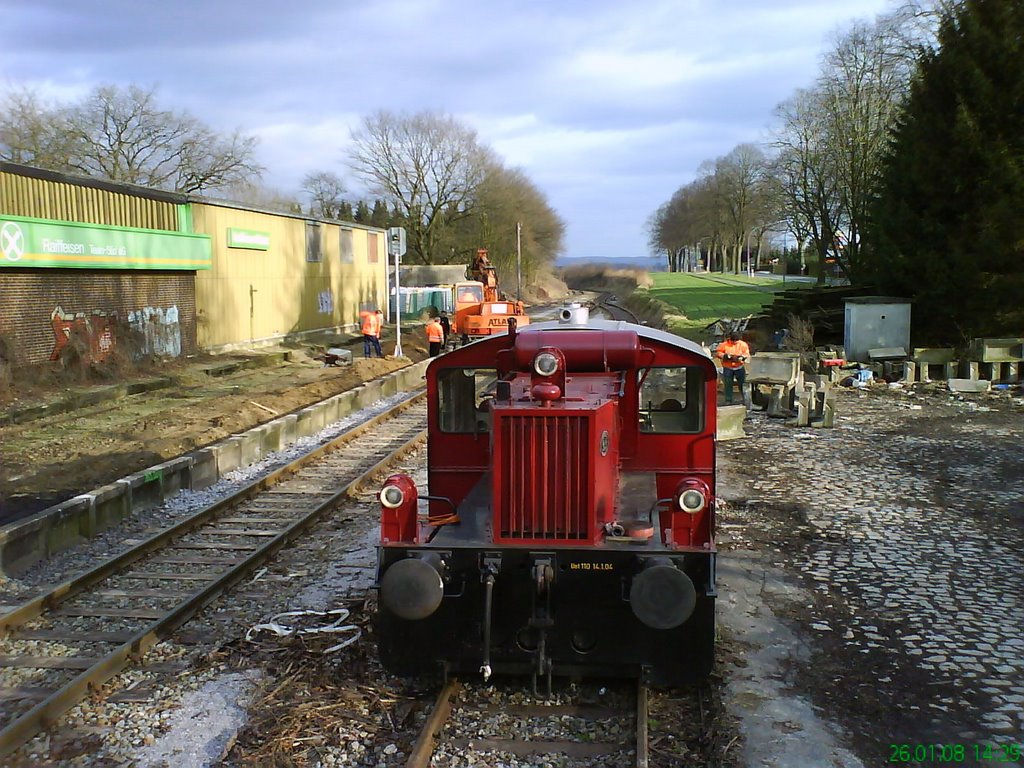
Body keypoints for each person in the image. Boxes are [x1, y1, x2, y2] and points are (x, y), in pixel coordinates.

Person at [715, 331, 752, 407]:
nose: (735, 342)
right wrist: (725, 356)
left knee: (742, 384)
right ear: (730, 339)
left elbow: (747, 354)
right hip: (728, 367)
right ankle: (728, 400)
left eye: (736, 341)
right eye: (733, 341)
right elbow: (718, 353)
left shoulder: (743, 345)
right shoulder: (724, 345)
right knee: (728, 384)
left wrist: (742, 357)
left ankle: (745, 399)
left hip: (739, 367)